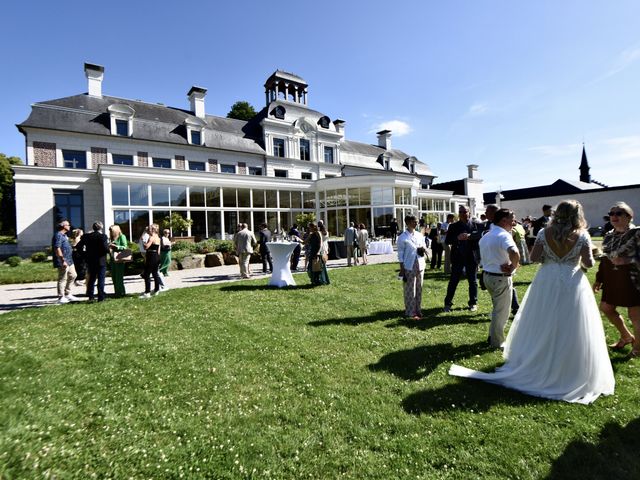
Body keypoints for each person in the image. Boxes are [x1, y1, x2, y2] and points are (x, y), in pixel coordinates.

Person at [449, 200, 615, 404]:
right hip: (572, 280)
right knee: (572, 322)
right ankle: (571, 366)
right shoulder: (582, 235)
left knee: (543, 318)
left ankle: (539, 359)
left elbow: (535, 257)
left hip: (547, 278)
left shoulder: (545, 233)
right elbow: (589, 263)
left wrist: (552, 258)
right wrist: (575, 259)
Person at [593, 202, 640, 357]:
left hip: (633, 280)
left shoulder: (637, 233)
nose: (614, 216)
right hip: (613, 279)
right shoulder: (609, 236)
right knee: (606, 308)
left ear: (629, 216)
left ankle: (638, 349)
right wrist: (599, 279)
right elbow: (605, 260)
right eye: (611, 213)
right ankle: (626, 337)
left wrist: (628, 261)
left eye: (619, 213)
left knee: (635, 315)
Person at [479, 209, 520, 348]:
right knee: (501, 312)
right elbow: (514, 252)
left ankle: (493, 336)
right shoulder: (504, 235)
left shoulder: (486, 236)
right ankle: (497, 342)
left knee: (498, 309)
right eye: (512, 219)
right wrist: (513, 267)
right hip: (500, 278)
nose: (514, 222)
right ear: (503, 221)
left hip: (487, 276)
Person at [443, 206, 480, 312]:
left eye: (465, 212)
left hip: (471, 257)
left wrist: (470, 236)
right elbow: (448, 240)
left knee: (472, 281)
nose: (463, 214)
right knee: (453, 281)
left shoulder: (475, 225)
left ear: (469, 212)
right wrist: (457, 238)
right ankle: (447, 303)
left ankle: (473, 303)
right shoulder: (453, 226)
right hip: (458, 257)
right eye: (460, 212)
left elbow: (479, 238)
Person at [397, 214, 427, 319]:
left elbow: (424, 245)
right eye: (414, 221)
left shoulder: (419, 235)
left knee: (419, 288)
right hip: (409, 265)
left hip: (420, 263)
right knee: (410, 289)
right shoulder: (402, 237)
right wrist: (402, 269)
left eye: (417, 221)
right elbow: (400, 254)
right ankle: (410, 311)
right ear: (408, 222)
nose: (416, 223)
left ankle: (418, 310)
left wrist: (423, 248)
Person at [78, 221, 110, 302]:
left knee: (92, 279)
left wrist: (84, 254)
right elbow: (105, 248)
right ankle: (100, 297)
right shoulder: (102, 236)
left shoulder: (87, 236)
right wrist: (109, 250)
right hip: (101, 260)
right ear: (101, 227)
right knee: (101, 279)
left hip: (90, 260)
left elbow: (78, 246)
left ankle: (91, 296)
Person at [51, 219, 79, 304]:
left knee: (73, 275)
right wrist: (62, 260)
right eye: (68, 225)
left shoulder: (64, 235)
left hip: (69, 260)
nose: (70, 226)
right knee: (62, 278)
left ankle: (68, 293)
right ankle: (61, 297)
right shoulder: (58, 235)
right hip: (63, 260)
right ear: (63, 226)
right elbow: (57, 248)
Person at [140, 224, 162, 298]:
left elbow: (146, 247)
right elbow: (159, 251)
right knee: (155, 273)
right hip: (156, 256)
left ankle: (147, 292)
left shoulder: (152, 237)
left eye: (149, 229)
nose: (148, 230)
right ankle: (156, 289)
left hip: (151, 255)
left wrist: (143, 241)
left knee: (147, 274)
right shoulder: (158, 238)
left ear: (153, 230)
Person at [108, 225, 128, 298]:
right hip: (112, 259)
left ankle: (121, 292)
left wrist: (117, 247)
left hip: (119, 259)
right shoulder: (111, 238)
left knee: (119, 277)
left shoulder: (122, 236)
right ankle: (117, 292)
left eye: (111, 230)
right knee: (114, 277)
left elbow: (125, 247)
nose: (110, 232)